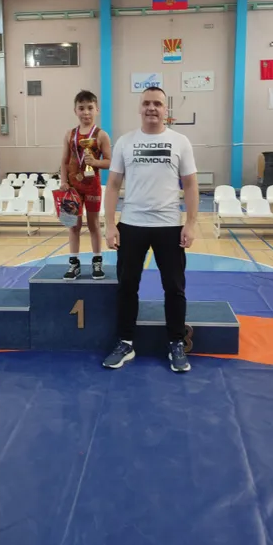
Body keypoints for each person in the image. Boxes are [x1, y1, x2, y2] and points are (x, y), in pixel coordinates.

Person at [103, 87, 199, 373]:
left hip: (169, 226)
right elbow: (113, 185)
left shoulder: (180, 142)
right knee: (127, 286)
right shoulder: (125, 142)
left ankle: (176, 342)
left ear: (166, 110)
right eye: (146, 103)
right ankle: (125, 342)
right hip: (132, 225)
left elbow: (191, 184)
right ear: (139, 108)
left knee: (174, 288)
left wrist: (191, 223)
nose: (151, 108)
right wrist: (110, 224)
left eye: (157, 103)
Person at [60, 90, 112, 281]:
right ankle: (74, 263)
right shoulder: (70, 134)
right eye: (81, 108)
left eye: (90, 108)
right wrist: (63, 181)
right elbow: (64, 160)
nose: (86, 112)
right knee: (72, 225)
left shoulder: (101, 135)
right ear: (75, 110)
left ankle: (97, 261)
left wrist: (95, 162)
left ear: (97, 110)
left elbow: (110, 162)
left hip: (92, 186)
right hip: (72, 188)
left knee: (93, 225)